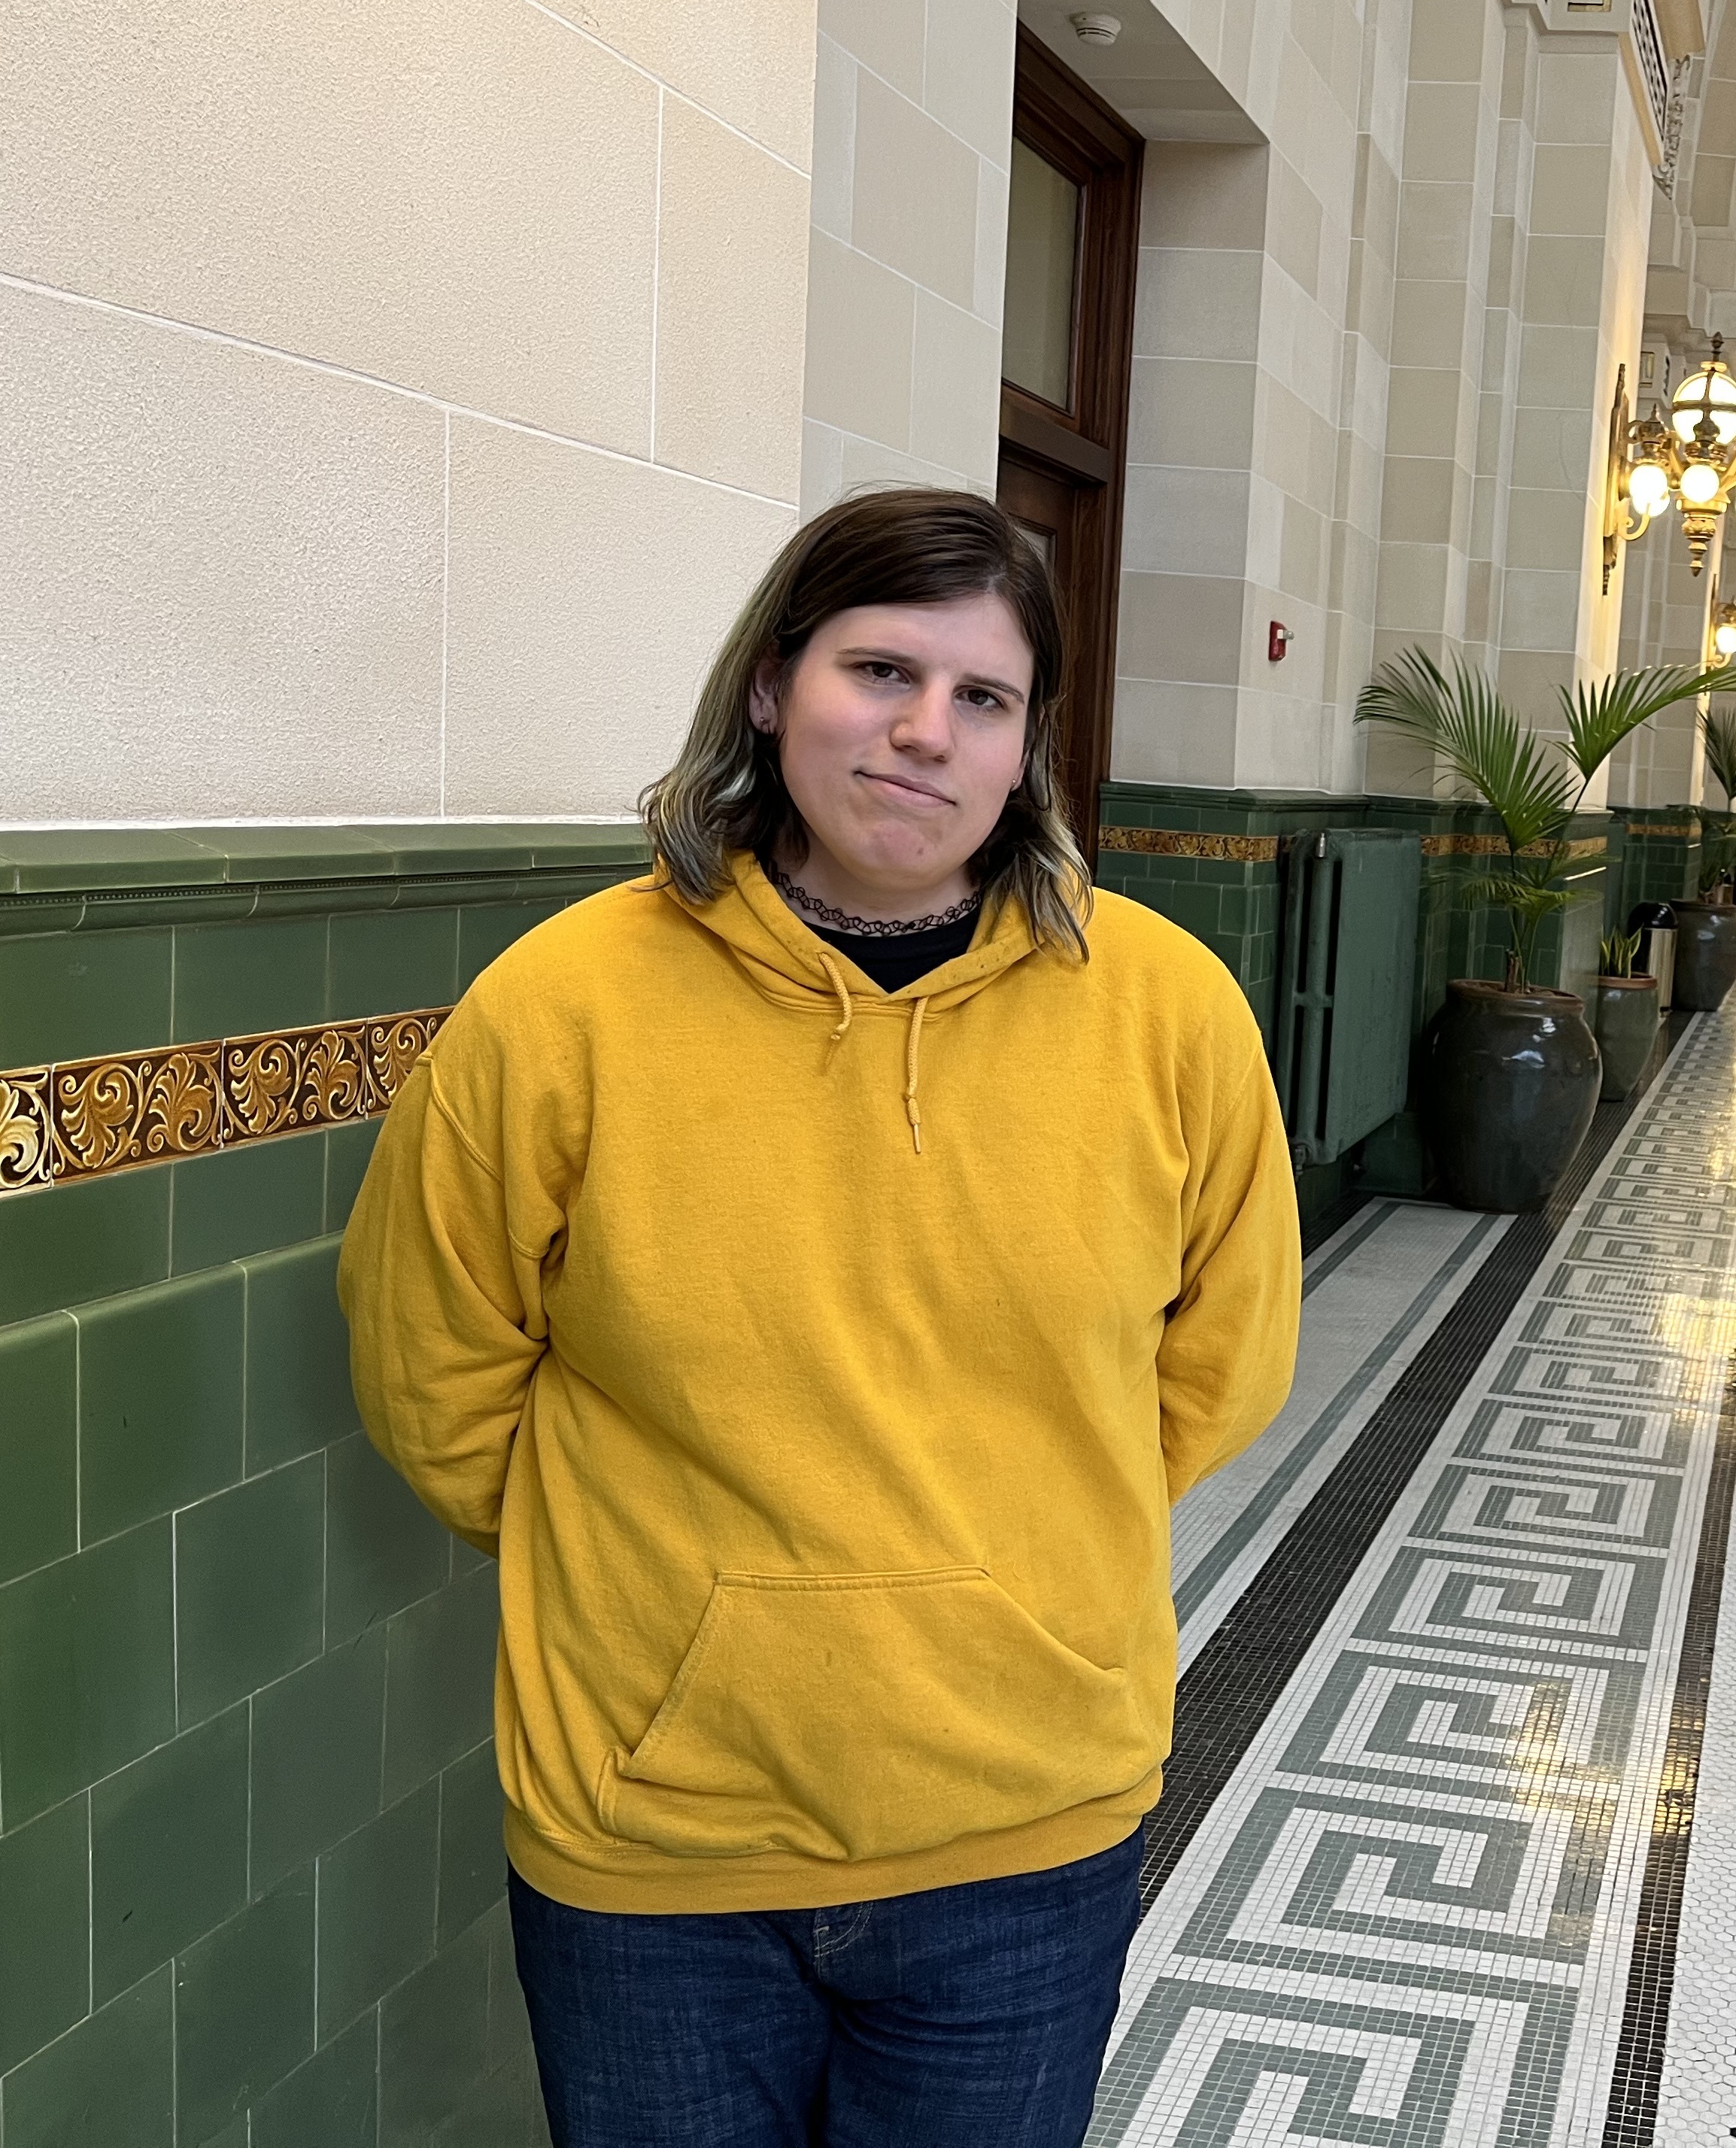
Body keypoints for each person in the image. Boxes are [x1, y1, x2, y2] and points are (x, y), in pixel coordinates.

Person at [338, 488, 1301, 2148]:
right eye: (880, 671)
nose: (926, 734)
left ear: (1028, 751)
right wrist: (654, 1596)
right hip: (652, 1849)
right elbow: (434, 1367)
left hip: (1025, 1829)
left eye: (983, 699)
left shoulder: (1165, 1012)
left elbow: (1225, 1358)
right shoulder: (565, 1005)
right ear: (774, 687)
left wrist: (1019, 1563)